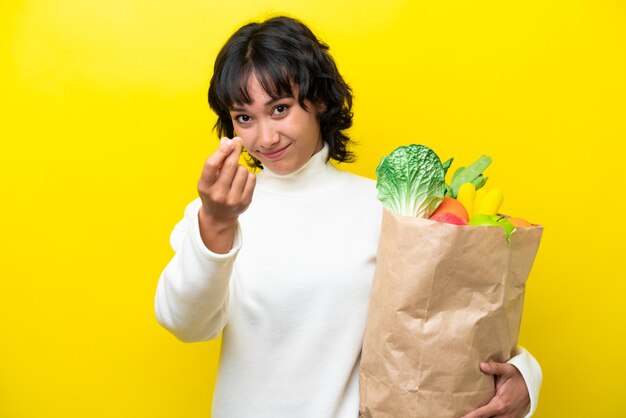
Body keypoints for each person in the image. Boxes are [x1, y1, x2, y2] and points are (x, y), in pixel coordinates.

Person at [154, 15, 542, 418]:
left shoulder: (386, 210)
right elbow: (186, 324)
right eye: (245, 118)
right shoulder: (218, 212)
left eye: (281, 108)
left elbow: (447, 322)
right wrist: (216, 224)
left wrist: (525, 378)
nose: (265, 138)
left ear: (319, 100)